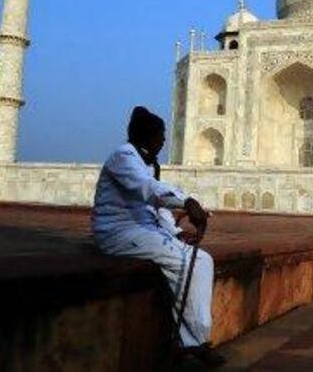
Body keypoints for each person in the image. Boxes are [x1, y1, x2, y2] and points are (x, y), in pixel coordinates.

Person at [92, 106, 225, 367]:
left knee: (204, 260)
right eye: (160, 135)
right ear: (146, 136)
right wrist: (187, 201)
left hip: (142, 229)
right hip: (118, 232)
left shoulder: (145, 163)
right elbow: (148, 190)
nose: (164, 140)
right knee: (187, 262)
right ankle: (192, 344)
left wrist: (175, 232)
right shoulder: (123, 157)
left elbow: (153, 206)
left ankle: (196, 337)